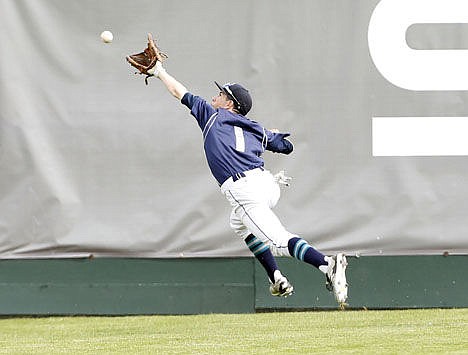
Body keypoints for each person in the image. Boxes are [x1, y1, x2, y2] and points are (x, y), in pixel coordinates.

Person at [151, 61, 348, 306]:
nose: (217, 95)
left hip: (244, 190)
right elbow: (285, 147)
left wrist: (159, 71)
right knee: (239, 223)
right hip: (266, 184)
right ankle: (276, 277)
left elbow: (178, 91)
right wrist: (267, 133)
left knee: (277, 241)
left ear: (230, 104)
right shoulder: (254, 128)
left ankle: (327, 264)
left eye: (222, 94)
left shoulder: (212, 115)